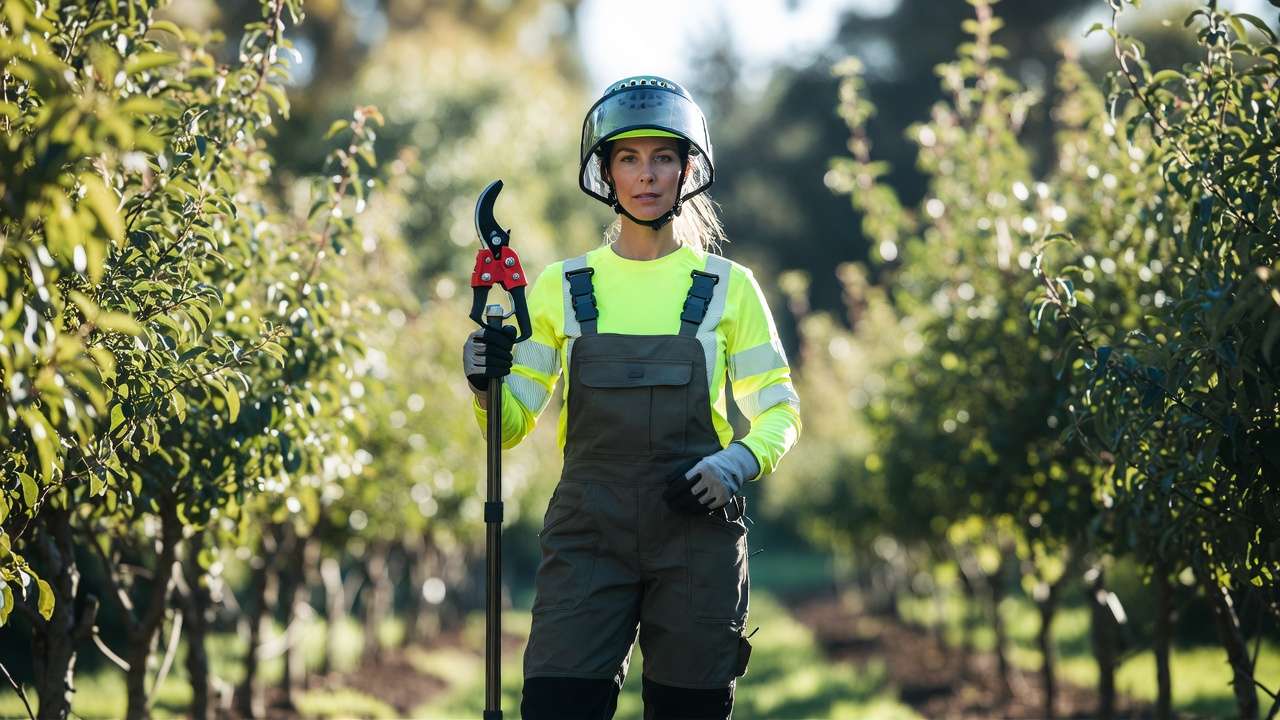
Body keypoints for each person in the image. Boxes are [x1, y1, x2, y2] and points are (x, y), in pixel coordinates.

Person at [462, 75, 802, 720]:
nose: (646, 175)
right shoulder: (563, 286)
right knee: (558, 704)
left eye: (663, 157)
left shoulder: (730, 288)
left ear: (687, 170)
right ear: (605, 174)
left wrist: (732, 464)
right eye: (628, 158)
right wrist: (485, 384)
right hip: (588, 535)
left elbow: (780, 413)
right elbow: (508, 429)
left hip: (694, 535)